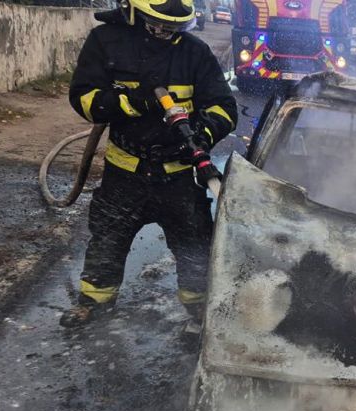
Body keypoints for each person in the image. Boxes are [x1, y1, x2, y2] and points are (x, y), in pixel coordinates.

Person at [61, 0, 238, 328]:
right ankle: (94, 303)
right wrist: (129, 102)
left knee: (195, 246)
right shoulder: (106, 41)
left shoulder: (195, 52)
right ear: (133, 13)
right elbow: (84, 99)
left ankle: (200, 311)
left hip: (179, 178)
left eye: (174, 27)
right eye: (156, 24)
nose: (165, 31)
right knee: (108, 239)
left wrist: (204, 132)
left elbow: (224, 106)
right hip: (124, 174)